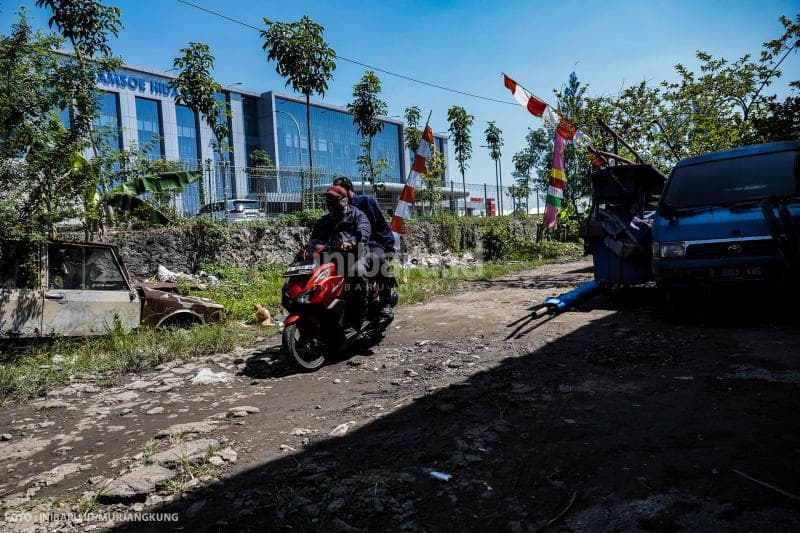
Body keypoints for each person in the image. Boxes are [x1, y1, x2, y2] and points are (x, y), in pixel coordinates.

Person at [332, 177, 395, 317]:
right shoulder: (338, 208)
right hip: (348, 247)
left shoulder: (365, 201)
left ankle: (385, 302)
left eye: (339, 190)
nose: (336, 193)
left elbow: (378, 225)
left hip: (374, 243)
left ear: (348, 190)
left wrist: (387, 245)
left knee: (377, 260)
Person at [310, 185, 372, 323]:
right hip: (330, 258)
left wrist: (352, 242)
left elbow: (364, 231)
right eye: (328, 200)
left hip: (356, 254)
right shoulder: (323, 221)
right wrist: (309, 249)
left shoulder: (357, 215)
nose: (330, 204)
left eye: (334, 200)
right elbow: (314, 240)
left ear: (344, 200)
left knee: (357, 271)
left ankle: (360, 314)